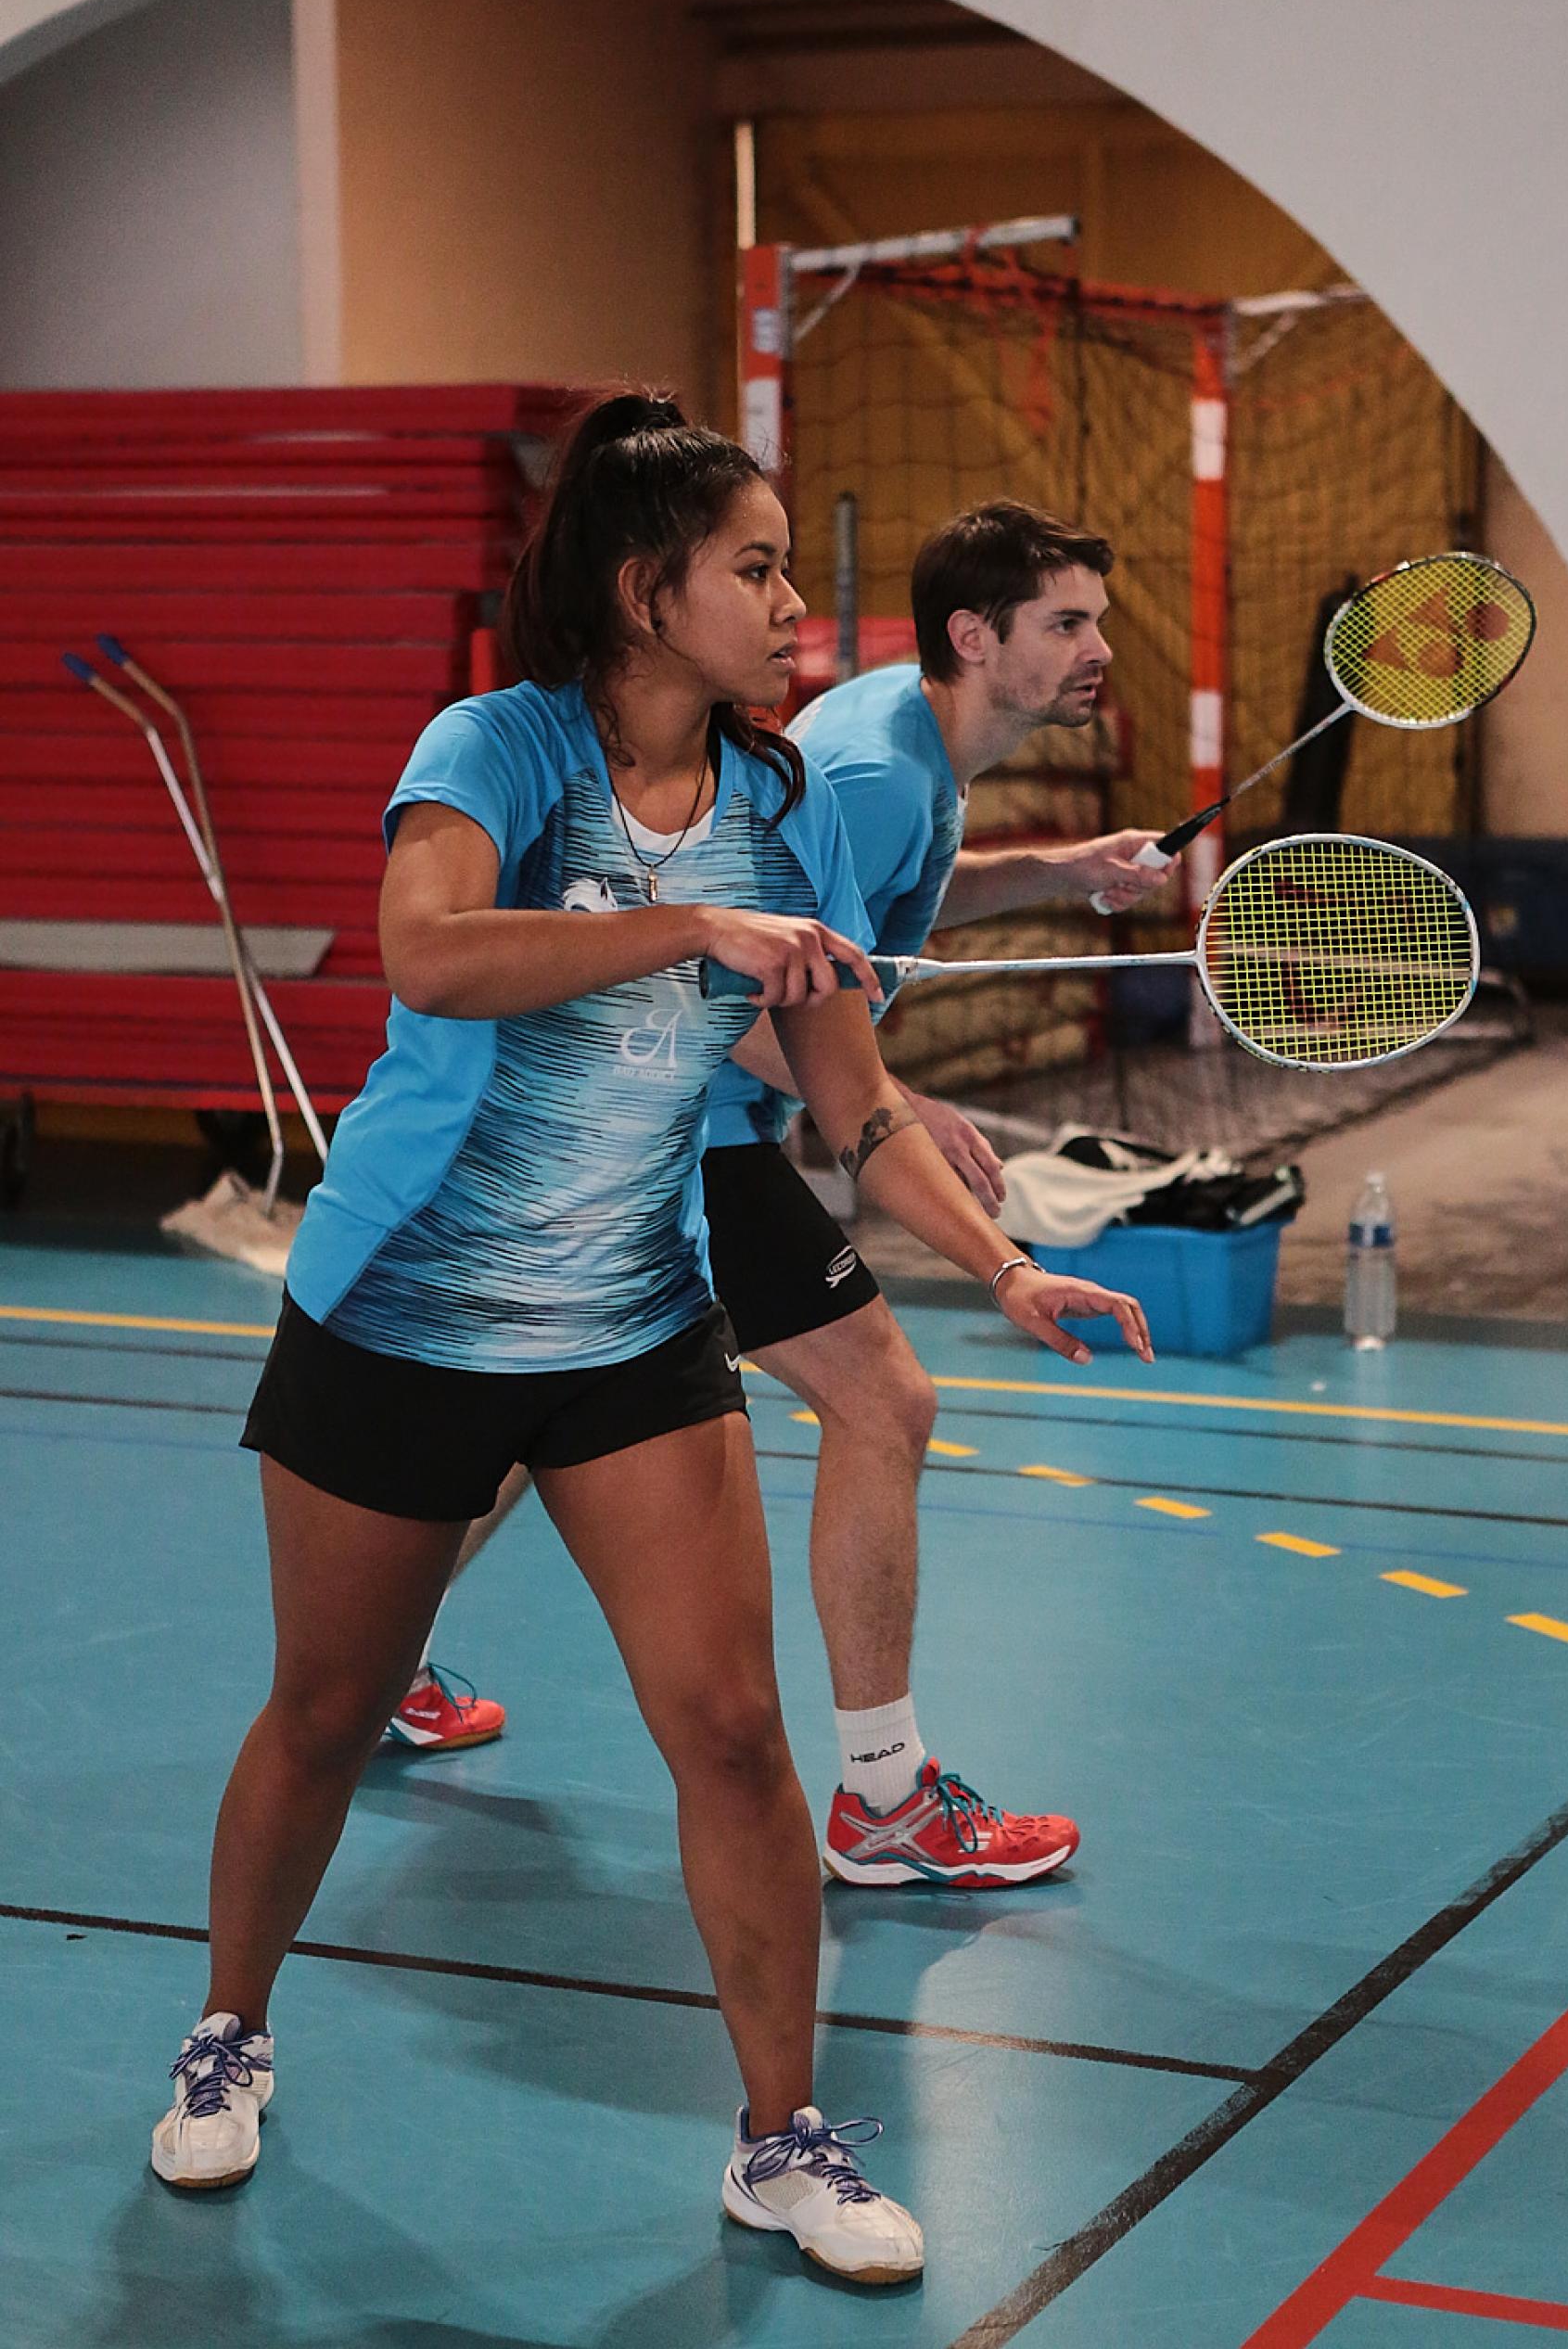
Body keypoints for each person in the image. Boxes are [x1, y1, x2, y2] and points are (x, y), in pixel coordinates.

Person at [149, 396, 1150, 2288]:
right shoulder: (497, 747)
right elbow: (432, 950)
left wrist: (1003, 1268)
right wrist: (687, 927)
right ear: (643, 589)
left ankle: (782, 2138)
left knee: (732, 1732)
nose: (790, 608)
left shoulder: (781, 801)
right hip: (404, 1310)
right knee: (328, 1714)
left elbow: (853, 1098)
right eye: (754, 570)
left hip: (630, 1326)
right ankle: (230, 2025)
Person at [397, 503, 1173, 1896]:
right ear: (974, 636)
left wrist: (1060, 871)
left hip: (672, 1120)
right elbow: (745, 984)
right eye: (1068, 623)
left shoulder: (915, 752)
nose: (1098, 648)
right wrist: (875, 1094)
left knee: (532, 1429)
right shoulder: (870, 770)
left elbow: (873, 909)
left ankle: (373, 1664)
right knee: (886, 1400)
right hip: (683, 1125)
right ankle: (884, 1797)